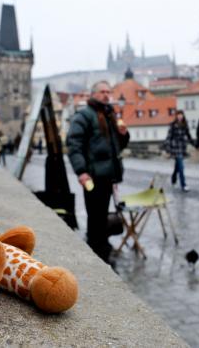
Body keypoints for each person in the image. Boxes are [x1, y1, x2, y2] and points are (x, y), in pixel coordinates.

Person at [66, 81, 130, 264]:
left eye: (108, 92)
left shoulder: (109, 114)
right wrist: (81, 171)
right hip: (92, 176)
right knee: (95, 215)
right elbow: (74, 144)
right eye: (102, 91)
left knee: (101, 215)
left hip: (108, 175)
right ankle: (97, 251)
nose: (106, 95)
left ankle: (101, 249)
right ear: (93, 94)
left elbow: (117, 147)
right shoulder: (84, 115)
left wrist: (123, 134)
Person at [164, 110, 195, 192]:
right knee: (181, 167)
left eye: (181, 115)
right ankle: (183, 185)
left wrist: (195, 145)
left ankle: (174, 176)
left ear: (183, 116)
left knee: (178, 166)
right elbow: (169, 137)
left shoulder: (185, 125)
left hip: (182, 148)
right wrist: (167, 149)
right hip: (175, 148)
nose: (180, 116)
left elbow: (189, 136)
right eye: (178, 115)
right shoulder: (173, 125)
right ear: (176, 116)